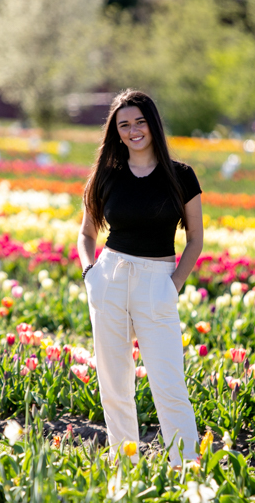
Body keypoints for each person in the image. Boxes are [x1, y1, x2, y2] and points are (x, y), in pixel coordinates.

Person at [77, 89, 203, 467]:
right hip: (110, 277)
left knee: (169, 384)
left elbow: (195, 239)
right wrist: (90, 275)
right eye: (124, 125)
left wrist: (173, 284)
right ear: (116, 131)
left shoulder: (180, 176)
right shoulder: (106, 175)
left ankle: (185, 471)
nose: (133, 131)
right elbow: (86, 234)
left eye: (139, 122)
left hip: (157, 282)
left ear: (153, 124)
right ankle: (125, 468)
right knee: (115, 384)